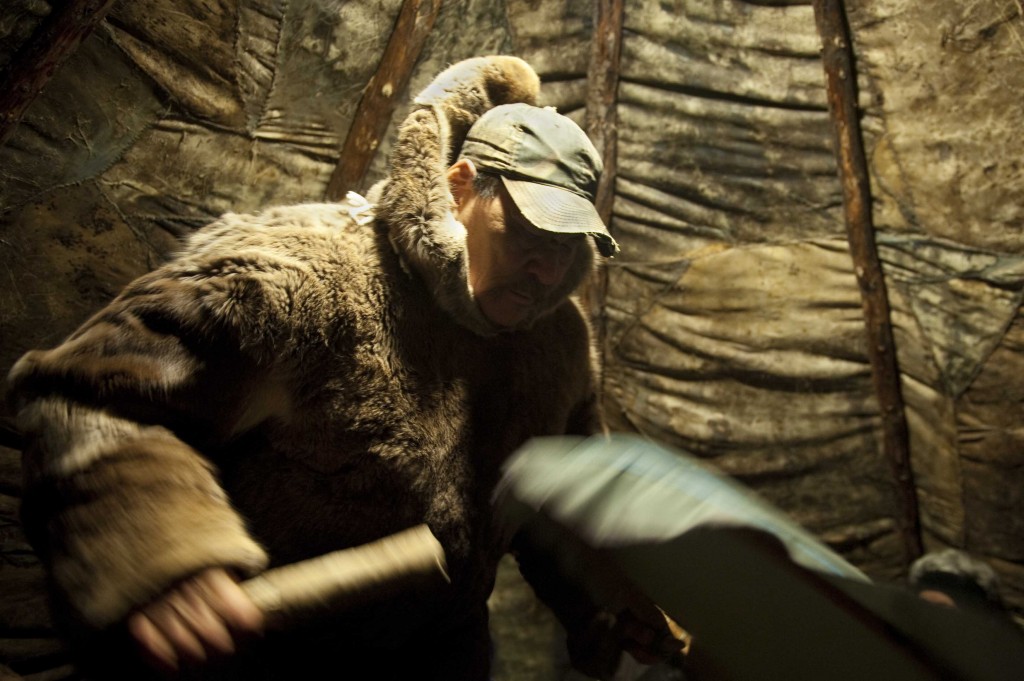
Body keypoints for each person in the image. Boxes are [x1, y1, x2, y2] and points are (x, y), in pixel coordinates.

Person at [5, 56, 675, 680]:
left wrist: (608, 599)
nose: (548, 270)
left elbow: (563, 503)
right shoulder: (306, 276)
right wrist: (157, 549)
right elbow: (87, 397)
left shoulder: (557, 343)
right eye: (530, 233)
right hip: (249, 655)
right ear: (461, 186)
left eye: (567, 245)